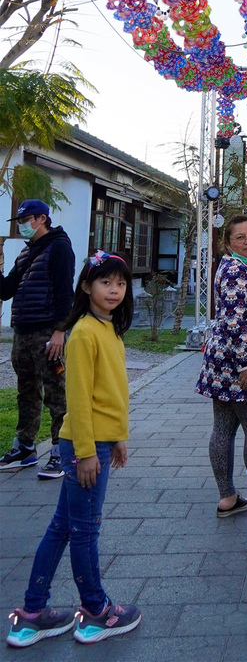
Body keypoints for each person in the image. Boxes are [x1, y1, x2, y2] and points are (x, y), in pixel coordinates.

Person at [6, 252, 141, 648]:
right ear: (86, 287)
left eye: (120, 283)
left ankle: (32, 613)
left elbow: (110, 392)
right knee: (85, 532)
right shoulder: (83, 332)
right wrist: (85, 452)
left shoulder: (108, 328)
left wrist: (117, 436)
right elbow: (77, 399)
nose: (114, 290)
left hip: (98, 439)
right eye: (105, 283)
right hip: (84, 444)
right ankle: (97, 612)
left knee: (63, 527)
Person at [196, 214, 247, 517]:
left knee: (224, 427)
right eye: (240, 237)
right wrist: (245, 365)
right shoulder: (237, 271)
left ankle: (228, 496)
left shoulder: (232, 267)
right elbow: (236, 322)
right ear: (228, 242)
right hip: (237, 363)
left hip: (221, 360)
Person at [0, 200, 75, 480]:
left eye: (27, 219)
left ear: (42, 219)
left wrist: (60, 331)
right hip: (22, 331)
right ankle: (25, 447)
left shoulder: (59, 248)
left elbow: (65, 293)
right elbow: (6, 290)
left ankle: (61, 450)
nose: (22, 225)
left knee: (56, 392)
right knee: (26, 391)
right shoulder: (25, 253)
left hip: (47, 333)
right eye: (19, 220)